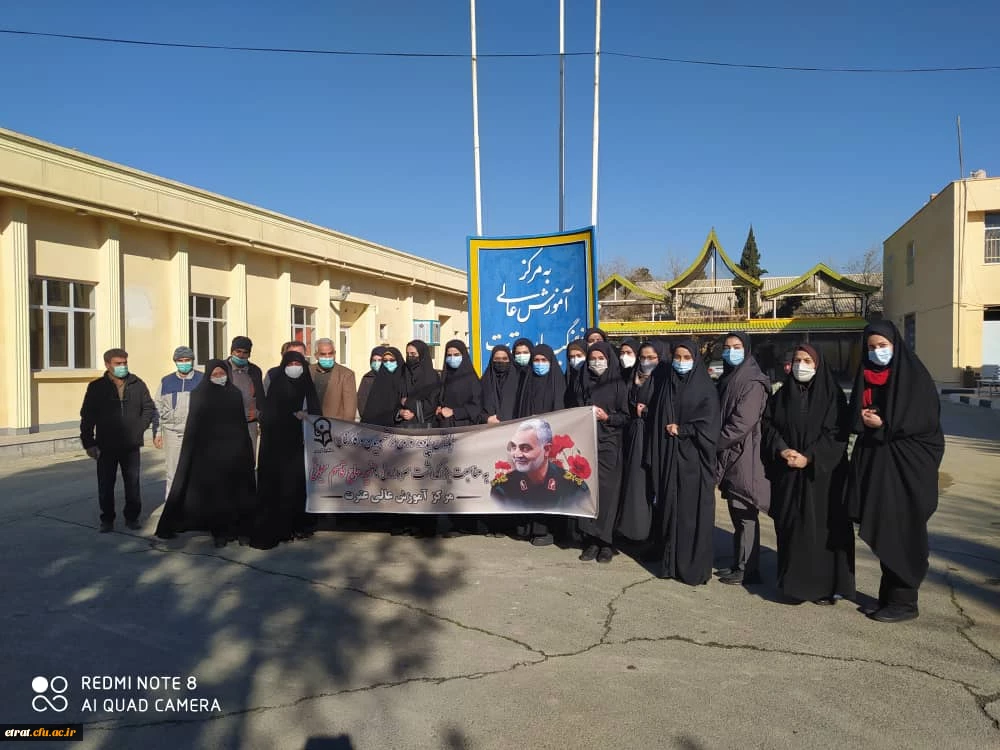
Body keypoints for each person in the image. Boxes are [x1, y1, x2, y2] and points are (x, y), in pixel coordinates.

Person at [847, 321, 944, 623]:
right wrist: (863, 418)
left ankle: (905, 602)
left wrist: (883, 425)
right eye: (871, 347)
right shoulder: (867, 375)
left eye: (882, 346)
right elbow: (854, 417)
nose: (877, 352)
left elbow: (921, 423)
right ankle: (888, 597)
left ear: (895, 345)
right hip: (880, 470)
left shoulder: (914, 377)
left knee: (901, 532)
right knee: (885, 528)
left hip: (906, 472)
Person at [763, 344, 855, 605]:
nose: (801, 366)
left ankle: (824, 588)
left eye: (807, 361)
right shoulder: (783, 395)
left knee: (822, 532)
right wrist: (782, 449)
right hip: (789, 474)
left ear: (818, 365)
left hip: (822, 478)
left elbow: (837, 434)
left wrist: (810, 457)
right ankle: (793, 585)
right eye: (797, 360)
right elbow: (768, 425)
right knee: (791, 528)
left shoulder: (833, 396)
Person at [155, 360, 256, 547]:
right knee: (216, 496)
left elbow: (240, 425)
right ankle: (219, 533)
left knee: (236, 492)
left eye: (222, 374)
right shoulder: (199, 394)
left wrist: (244, 449)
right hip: (210, 455)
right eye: (215, 374)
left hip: (233, 453)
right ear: (208, 376)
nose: (219, 377)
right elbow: (194, 427)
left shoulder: (234, 393)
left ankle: (239, 531)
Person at [646, 340, 721, 584]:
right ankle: (671, 564)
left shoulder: (705, 388)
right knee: (671, 511)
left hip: (694, 463)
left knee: (691, 515)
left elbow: (709, 426)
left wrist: (683, 430)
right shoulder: (668, 384)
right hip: (670, 459)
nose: (680, 362)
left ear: (696, 359)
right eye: (677, 357)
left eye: (686, 357)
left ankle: (692, 569)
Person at [80, 348, 157, 533]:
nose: (122, 366)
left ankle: (132, 518)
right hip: (105, 445)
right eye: (118, 363)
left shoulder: (137, 384)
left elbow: (148, 408)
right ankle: (107, 519)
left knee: (132, 483)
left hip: (130, 445)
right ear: (108, 365)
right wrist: (89, 442)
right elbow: (88, 416)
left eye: (125, 363)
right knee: (106, 484)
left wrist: (139, 428)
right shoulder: (97, 387)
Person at [715, 331, 771, 586]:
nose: (731, 351)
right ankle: (739, 563)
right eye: (727, 347)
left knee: (745, 510)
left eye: (736, 346)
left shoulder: (753, 381)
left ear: (746, 349)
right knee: (736, 512)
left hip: (744, 453)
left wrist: (715, 442)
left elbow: (741, 423)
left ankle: (748, 568)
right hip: (732, 453)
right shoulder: (731, 376)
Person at [253, 351, 322, 548]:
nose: (294, 367)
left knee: (298, 486)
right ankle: (280, 527)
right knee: (279, 487)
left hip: (302, 446)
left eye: (297, 363)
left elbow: (317, 413)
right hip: (279, 448)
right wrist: (290, 416)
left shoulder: (308, 386)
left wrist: (307, 415)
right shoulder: (277, 385)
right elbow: (269, 415)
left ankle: (299, 525)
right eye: (290, 363)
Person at [577, 341, 630, 563]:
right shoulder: (582, 382)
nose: (596, 362)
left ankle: (606, 542)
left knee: (608, 494)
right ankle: (590, 540)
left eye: (601, 358)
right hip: (586, 445)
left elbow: (625, 417)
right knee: (588, 493)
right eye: (593, 358)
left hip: (610, 445)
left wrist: (607, 418)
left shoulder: (618, 385)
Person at [617, 340, 668, 544]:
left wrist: (647, 411)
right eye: (643, 357)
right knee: (636, 486)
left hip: (655, 439)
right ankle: (636, 533)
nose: (646, 361)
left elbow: (667, 409)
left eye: (651, 358)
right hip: (635, 437)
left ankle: (655, 538)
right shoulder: (633, 377)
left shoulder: (664, 379)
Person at [489, 418, 589, 510]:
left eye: (525, 448)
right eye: (514, 447)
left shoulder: (574, 488)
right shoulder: (502, 488)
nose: (517, 455)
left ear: (547, 449)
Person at [153, 346, 203, 497]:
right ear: (175, 361)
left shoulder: (202, 379)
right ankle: (172, 504)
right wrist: (157, 432)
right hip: (172, 433)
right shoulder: (166, 381)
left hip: (196, 433)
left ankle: (195, 504)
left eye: (187, 360)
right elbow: (157, 407)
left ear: (192, 360)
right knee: (173, 471)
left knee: (196, 471)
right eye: (180, 360)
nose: (184, 363)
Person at [228, 336, 264, 459]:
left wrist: (258, 413)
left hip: (250, 424)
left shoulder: (255, 371)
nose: (241, 355)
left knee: (249, 458)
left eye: (245, 352)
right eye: (238, 351)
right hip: (228, 423)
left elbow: (260, 396)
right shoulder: (223, 368)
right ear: (232, 351)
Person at [311, 337, 358, 422]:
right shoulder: (308, 371)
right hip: (310, 423)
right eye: (323, 354)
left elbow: (350, 410)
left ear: (335, 353)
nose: (327, 357)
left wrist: (345, 427)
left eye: (330, 353)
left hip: (335, 425)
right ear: (316, 355)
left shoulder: (346, 374)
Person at [436, 340, 481, 427]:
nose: (452, 358)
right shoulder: (445, 376)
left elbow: (477, 406)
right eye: (449, 355)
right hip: (445, 425)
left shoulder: (471, 379)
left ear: (463, 356)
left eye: (456, 355)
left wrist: (454, 412)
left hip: (463, 426)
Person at [359, 347, 405, 426]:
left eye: (391, 360)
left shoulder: (405, 379)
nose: (388, 363)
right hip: (378, 426)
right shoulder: (378, 380)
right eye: (385, 360)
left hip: (400, 426)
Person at [399, 340, 439, 427]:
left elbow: (432, 404)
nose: (410, 357)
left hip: (425, 425)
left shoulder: (431, 376)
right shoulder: (403, 373)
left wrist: (408, 403)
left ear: (422, 354)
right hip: (402, 425)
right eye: (407, 354)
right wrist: (401, 412)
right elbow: (396, 398)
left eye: (413, 354)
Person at [480, 345, 519, 424]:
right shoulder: (483, 382)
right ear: (492, 361)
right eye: (497, 359)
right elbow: (475, 409)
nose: (501, 361)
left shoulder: (518, 380)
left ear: (510, 360)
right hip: (490, 428)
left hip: (515, 427)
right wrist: (486, 419)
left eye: (504, 359)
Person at [357, 346, 386, 419]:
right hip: (370, 420)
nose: (376, 363)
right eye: (374, 360)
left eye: (380, 360)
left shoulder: (393, 377)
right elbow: (361, 400)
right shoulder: (367, 378)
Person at [563, 339, 589, 408]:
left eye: (579, 356)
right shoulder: (568, 378)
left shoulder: (593, 378)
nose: (575, 359)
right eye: (571, 357)